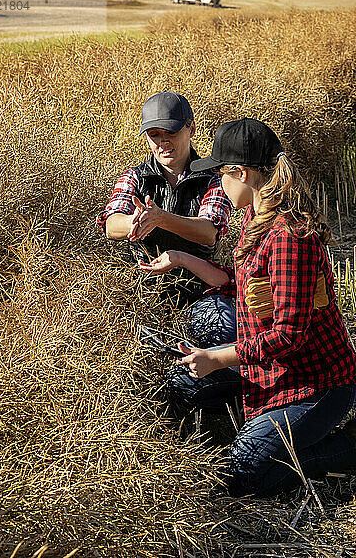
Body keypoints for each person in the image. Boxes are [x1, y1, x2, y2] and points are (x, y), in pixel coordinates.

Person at [165, 117, 356, 497]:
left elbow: (288, 337)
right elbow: (244, 285)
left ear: (242, 173)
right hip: (272, 368)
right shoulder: (257, 216)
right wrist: (181, 257)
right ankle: (258, 427)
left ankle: (346, 447)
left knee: (242, 475)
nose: (218, 183)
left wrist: (218, 359)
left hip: (314, 382)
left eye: (221, 174)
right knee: (182, 384)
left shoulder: (289, 238)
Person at [97, 91, 232, 266]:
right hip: (142, 281)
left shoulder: (214, 178)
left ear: (191, 129)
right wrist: (138, 220)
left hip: (200, 283)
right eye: (154, 135)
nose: (163, 142)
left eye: (171, 132)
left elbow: (208, 232)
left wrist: (161, 218)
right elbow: (111, 226)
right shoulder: (134, 177)